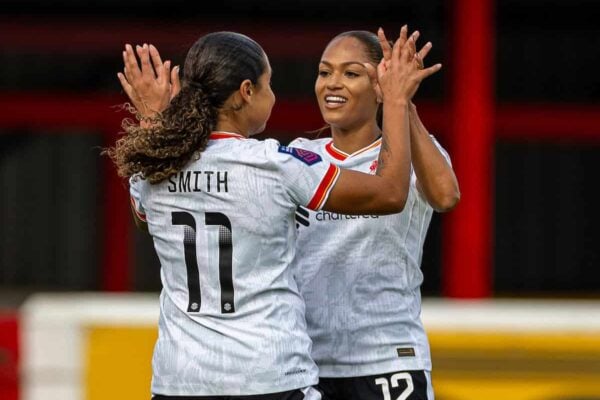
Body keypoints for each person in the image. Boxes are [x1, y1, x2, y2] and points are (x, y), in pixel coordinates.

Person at [108, 30, 440, 399]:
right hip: (267, 375)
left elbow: (145, 218)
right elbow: (391, 193)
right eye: (269, 85)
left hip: (179, 379)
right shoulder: (274, 164)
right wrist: (396, 100)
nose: (274, 96)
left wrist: (157, 124)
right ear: (247, 92)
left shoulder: (154, 170)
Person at [288, 27, 460, 400]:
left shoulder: (413, 156)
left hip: (388, 360)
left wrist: (402, 102)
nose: (333, 83)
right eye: (324, 72)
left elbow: (446, 196)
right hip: (305, 363)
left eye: (351, 73)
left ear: (380, 85)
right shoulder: (299, 156)